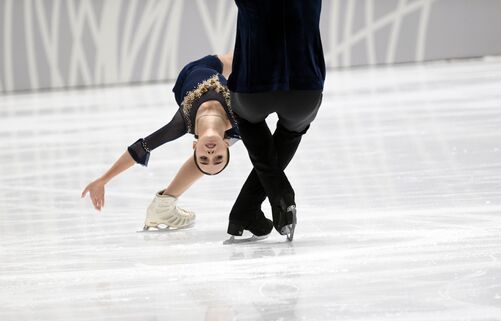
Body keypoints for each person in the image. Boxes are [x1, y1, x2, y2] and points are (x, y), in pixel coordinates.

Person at [81, 53, 265, 232]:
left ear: (194, 146)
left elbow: (139, 149)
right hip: (213, 76)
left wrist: (103, 179)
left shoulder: (182, 122)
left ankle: (164, 204)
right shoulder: (239, 116)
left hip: (189, 76)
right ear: (225, 145)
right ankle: (165, 204)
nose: (210, 154)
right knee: (247, 59)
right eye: (218, 158)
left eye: (204, 158)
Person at [225, 0, 326, 242]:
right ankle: (246, 210)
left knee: (247, 120)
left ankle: (276, 196)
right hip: (305, 91)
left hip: (252, 90)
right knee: (291, 131)